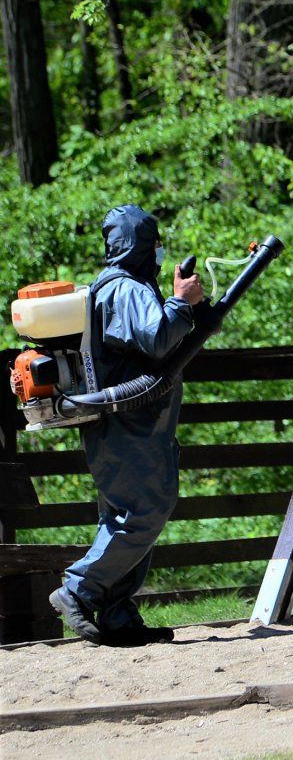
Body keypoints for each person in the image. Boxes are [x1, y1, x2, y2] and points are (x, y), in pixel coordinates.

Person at [48, 205, 205, 646]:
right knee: (143, 513)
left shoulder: (112, 285)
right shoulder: (127, 289)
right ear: (141, 245)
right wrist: (181, 301)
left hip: (123, 426)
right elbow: (158, 338)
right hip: (130, 428)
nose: (159, 252)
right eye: (154, 244)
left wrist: (179, 305)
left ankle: (117, 614)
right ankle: (78, 590)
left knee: (127, 515)